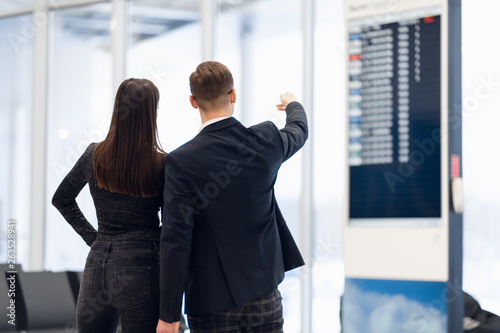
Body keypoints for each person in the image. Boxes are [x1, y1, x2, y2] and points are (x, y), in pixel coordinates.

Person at [157, 61, 308, 333]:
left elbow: (175, 240)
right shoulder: (265, 140)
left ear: (193, 101)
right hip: (263, 294)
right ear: (233, 95)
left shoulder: (181, 161)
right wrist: (292, 104)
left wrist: (169, 315)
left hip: (210, 302)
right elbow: (298, 130)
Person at [52, 78, 166, 333]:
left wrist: (94, 238)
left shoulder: (95, 155)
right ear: (150, 114)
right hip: (142, 264)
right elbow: (171, 225)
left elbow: (61, 199)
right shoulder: (161, 164)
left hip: (97, 263)